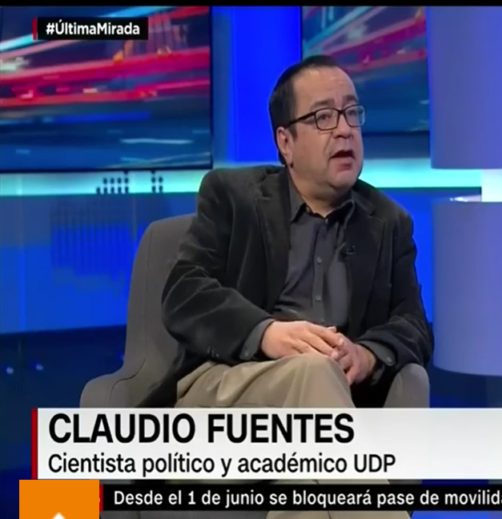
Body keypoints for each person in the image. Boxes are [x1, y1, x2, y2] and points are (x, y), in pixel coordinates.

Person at [159, 55, 433, 518]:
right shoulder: (232, 196)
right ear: (285, 142)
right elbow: (184, 292)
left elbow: (415, 326)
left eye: (352, 113)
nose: (344, 130)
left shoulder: (388, 222)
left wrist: (366, 355)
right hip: (226, 391)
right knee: (313, 371)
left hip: (327, 415)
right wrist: (266, 333)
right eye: (323, 117)